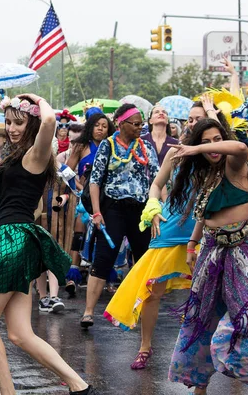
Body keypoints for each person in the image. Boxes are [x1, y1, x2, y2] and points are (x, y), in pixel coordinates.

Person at [0, 94, 99, 395]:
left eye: (19, 122)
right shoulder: (16, 156)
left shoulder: (36, 154)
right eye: (10, 122)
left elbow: (51, 120)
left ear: (32, 123)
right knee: (19, 333)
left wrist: (36, 99)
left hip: (12, 238)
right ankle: (78, 384)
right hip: (14, 237)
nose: (12, 128)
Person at [167, 118, 248, 395]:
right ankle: (199, 387)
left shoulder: (233, 164)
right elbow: (204, 214)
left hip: (242, 253)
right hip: (211, 251)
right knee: (202, 319)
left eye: (217, 139)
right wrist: (192, 244)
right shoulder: (206, 174)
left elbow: (240, 146)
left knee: (246, 323)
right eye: (205, 142)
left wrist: (192, 149)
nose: (213, 146)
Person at [104, 116, 196, 370]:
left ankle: (199, 345)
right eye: (191, 118)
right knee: (152, 290)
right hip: (170, 228)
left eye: (199, 119)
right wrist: (154, 206)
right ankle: (145, 346)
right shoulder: (175, 153)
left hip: (203, 231)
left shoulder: (215, 156)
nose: (193, 122)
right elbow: (156, 184)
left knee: (204, 290)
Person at [81, 104, 159, 328]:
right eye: (135, 124)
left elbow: (157, 180)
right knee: (104, 258)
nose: (139, 128)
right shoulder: (108, 145)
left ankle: (140, 309)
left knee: (144, 259)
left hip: (140, 210)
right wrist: (96, 212)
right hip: (113, 209)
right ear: (121, 124)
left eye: (141, 124)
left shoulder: (146, 147)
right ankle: (88, 312)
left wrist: (158, 209)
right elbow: (94, 181)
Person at [64, 113, 115, 296]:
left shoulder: (112, 147)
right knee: (79, 233)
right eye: (97, 125)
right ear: (90, 127)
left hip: (106, 200)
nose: (100, 128)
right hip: (84, 199)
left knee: (104, 236)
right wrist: (79, 187)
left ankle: (107, 277)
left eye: (104, 126)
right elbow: (67, 171)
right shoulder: (80, 146)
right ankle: (73, 275)